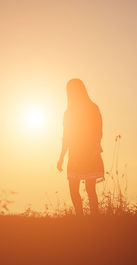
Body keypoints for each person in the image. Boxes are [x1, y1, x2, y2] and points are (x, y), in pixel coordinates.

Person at [57, 79, 104, 215]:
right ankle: (79, 218)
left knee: (90, 189)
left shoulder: (92, 108)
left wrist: (95, 150)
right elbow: (66, 136)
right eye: (70, 90)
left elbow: (98, 132)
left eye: (74, 89)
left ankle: (94, 220)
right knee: (73, 188)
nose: (72, 93)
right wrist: (61, 158)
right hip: (75, 154)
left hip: (90, 153)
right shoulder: (68, 113)